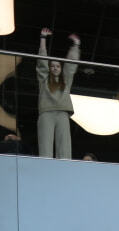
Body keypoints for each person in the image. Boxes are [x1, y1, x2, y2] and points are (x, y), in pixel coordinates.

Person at [35, 29, 79, 160]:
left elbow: (71, 66)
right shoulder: (44, 79)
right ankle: (46, 170)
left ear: (61, 69)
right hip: (46, 112)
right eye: (52, 66)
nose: (55, 68)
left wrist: (76, 45)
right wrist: (42, 38)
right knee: (45, 148)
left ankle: (64, 172)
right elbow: (42, 62)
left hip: (62, 113)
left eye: (58, 66)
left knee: (64, 149)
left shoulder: (65, 81)